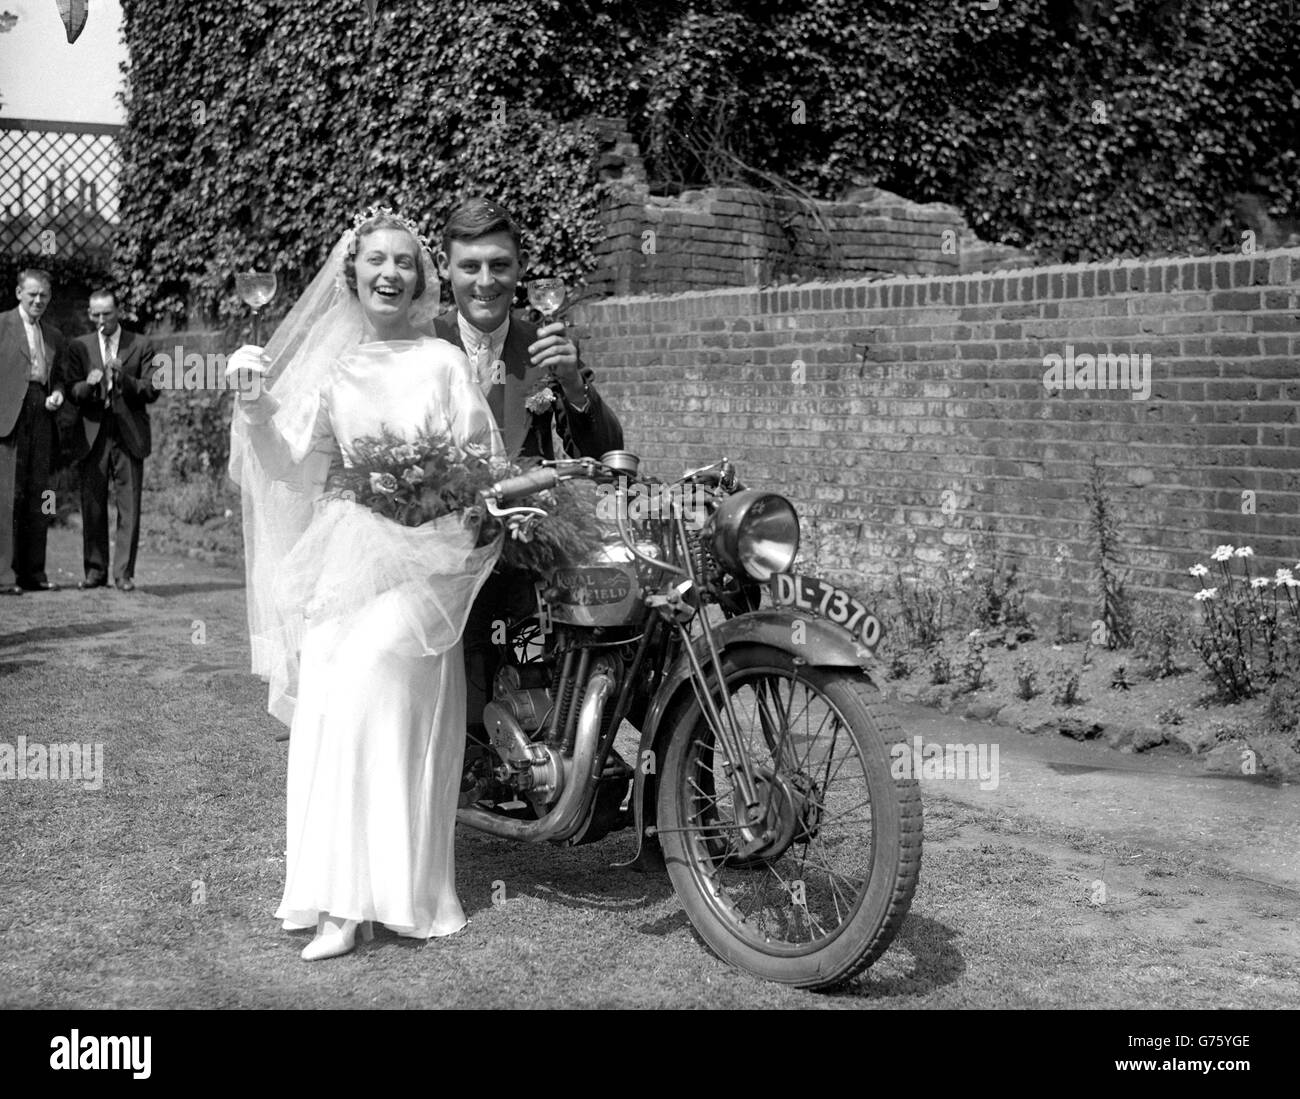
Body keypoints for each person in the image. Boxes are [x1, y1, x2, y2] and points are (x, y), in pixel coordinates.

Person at [228, 209, 503, 961]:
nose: (390, 273)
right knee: (325, 691)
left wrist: (433, 503)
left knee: (373, 670)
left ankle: (402, 893)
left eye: (405, 262)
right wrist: (255, 409)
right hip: (348, 555)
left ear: (420, 278)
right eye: (375, 260)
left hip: (430, 561)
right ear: (352, 274)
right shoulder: (336, 370)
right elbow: (293, 469)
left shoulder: (445, 361)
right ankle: (337, 903)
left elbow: (482, 462)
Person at [431, 197, 624, 740]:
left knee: (552, 646)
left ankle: (557, 743)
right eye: (471, 266)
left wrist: (574, 384)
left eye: (500, 265)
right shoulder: (425, 342)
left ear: (519, 271)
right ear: (448, 270)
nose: (486, 281)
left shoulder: (544, 342)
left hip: (528, 549)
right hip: (446, 551)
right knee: (454, 691)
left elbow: (607, 449)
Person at [63, 289, 160, 591]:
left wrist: (125, 379)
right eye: (96, 314)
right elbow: (71, 391)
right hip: (93, 433)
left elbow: (152, 389)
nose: (101, 320)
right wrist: (89, 386)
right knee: (92, 504)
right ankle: (95, 571)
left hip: (128, 433)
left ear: (119, 311)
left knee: (129, 505)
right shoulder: (79, 346)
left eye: (107, 313)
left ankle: (123, 574)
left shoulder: (141, 344)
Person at [0, 268, 68, 595]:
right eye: (32, 295)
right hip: (8, 416)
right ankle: (4, 575)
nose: (38, 300)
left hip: (42, 411)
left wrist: (58, 393)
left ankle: (34, 573)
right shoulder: (1, 325)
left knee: (41, 496)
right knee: (6, 498)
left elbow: (60, 377)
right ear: (18, 294)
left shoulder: (53, 335)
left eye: (43, 295)